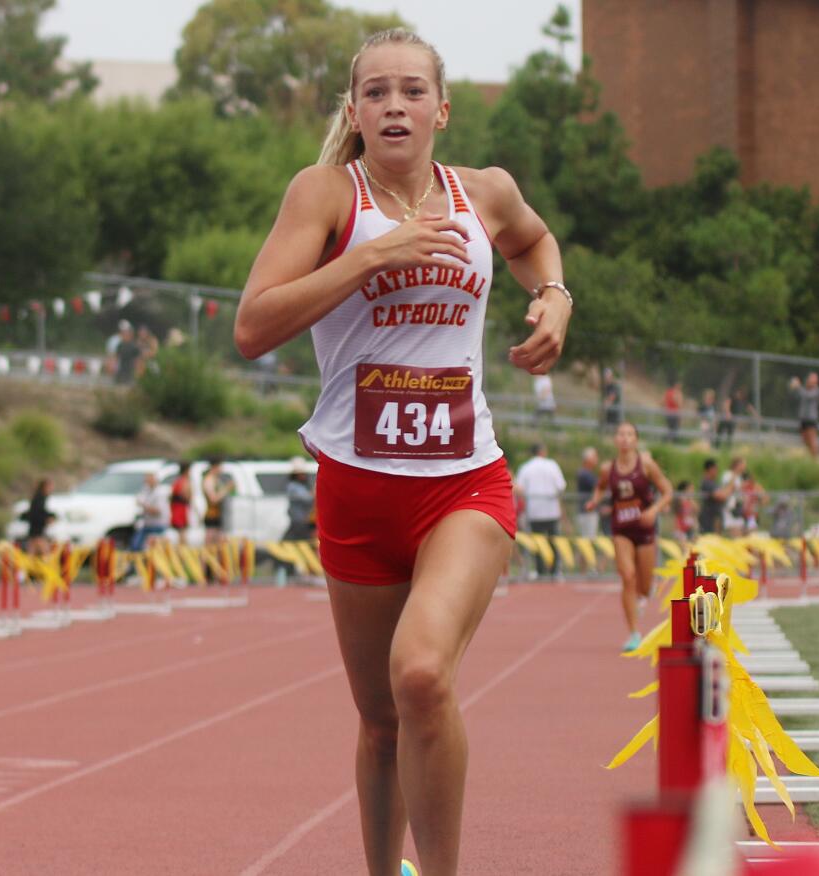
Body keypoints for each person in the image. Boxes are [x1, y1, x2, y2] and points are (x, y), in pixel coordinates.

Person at [233, 27, 571, 876]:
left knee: (421, 675)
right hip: (355, 484)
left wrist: (555, 296)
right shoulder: (323, 196)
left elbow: (532, 241)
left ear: (441, 110)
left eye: (412, 90)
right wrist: (371, 255)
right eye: (376, 92)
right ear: (355, 111)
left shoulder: (484, 193)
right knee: (381, 720)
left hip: (463, 483)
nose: (394, 105)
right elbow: (253, 326)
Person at [585, 422, 672, 653]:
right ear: (615, 440)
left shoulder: (646, 465)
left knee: (644, 586)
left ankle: (641, 599)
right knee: (627, 576)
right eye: (620, 434)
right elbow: (600, 486)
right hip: (621, 528)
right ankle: (634, 633)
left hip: (644, 529)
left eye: (629, 434)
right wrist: (595, 500)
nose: (624, 438)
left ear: (636, 439)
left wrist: (653, 511)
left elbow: (667, 490)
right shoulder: (607, 468)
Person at [516, 444, 567, 579]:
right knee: (553, 541)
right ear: (543, 452)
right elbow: (561, 486)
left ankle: (540, 571)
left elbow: (519, 489)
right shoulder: (552, 465)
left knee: (538, 542)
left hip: (534, 510)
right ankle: (555, 571)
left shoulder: (526, 467)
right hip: (552, 509)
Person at [130, 471, 170, 551]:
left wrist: (144, 505)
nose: (146, 482)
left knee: (151, 548)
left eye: (148, 480)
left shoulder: (160, 493)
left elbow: (158, 511)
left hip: (158, 526)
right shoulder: (147, 491)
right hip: (148, 525)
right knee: (135, 546)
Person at [202, 458, 234, 545]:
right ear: (215, 467)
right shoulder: (209, 480)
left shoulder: (216, 480)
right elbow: (213, 499)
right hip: (212, 516)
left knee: (219, 544)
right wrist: (227, 489)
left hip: (219, 516)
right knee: (210, 545)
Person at [697, 458, 733, 535]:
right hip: (709, 520)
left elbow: (723, 494)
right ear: (710, 469)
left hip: (715, 519)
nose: (717, 471)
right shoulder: (706, 483)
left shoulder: (713, 483)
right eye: (716, 468)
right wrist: (732, 482)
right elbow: (721, 496)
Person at [789, 372, 819, 457]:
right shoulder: (804, 389)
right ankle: (811, 456)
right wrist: (794, 387)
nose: (812, 381)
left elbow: (807, 396)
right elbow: (796, 396)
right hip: (803, 419)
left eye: (814, 379)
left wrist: (798, 386)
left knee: (812, 440)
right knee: (805, 440)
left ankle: (816, 458)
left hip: (811, 419)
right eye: (811, 378)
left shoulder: (816, 390)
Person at [283, 457, 316, 541]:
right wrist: (315, 491)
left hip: (303, 520)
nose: (304, 476)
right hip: (298, 520)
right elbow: (308, 498)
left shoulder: (301, 486)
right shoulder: (293, 486)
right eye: (301, 474)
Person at [23, 478, 56, 556]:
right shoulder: (39, 498)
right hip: (37, 529)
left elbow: (41, 512)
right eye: (50, 487)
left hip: (36, 529)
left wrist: (51, 516)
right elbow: (37, 513)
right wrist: (46, 519)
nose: (52, 489)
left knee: (31, 552)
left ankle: (26, 567)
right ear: (44, 487)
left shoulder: (41, 497)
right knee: (45, 552)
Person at [574, 447, 600, 540]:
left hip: (587, 512)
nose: (597, 459)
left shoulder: (587, 473)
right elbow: (599, 487)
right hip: (586, 512)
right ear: (588, 459)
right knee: (587, 540)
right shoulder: (584, 474)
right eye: (595, 457)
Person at [719, 457, 748, 536]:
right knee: (734, 534)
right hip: (729, 508)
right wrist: (735, 474)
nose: (744, 467)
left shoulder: (740, 477)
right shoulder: (728, 474)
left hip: (737, 509)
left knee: (741, 532)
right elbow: (729, 488)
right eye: (743, 465)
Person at [169, 461, 193, 541]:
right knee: (182, 532)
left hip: (176, 508)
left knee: (180, 532)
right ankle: (182, 550)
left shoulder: (177, 481)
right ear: (187, 470)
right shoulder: (185, 481)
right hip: (181, 509)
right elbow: (186, 496)